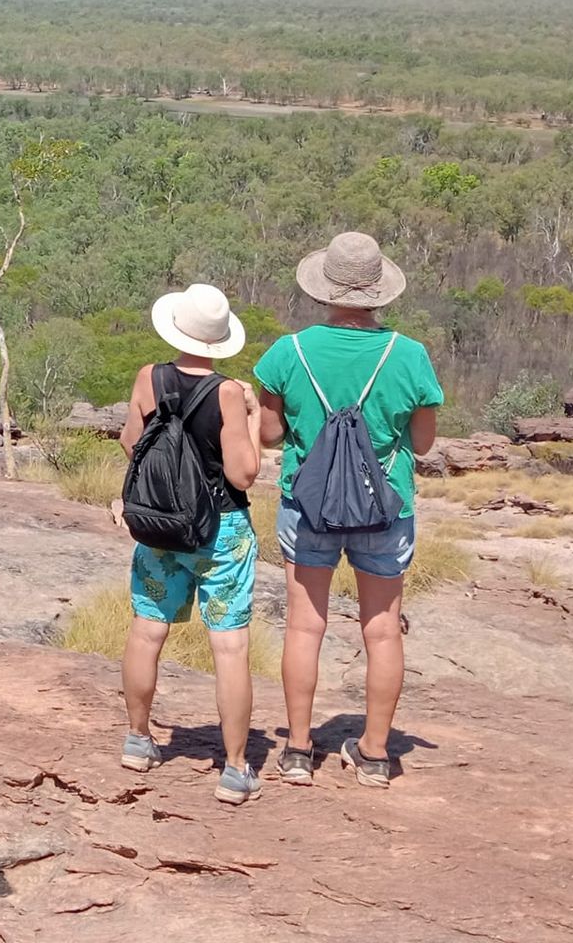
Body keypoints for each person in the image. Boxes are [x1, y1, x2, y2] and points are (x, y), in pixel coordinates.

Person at [253, 231, 442, 789]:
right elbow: (425, 443)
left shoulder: (287, 353)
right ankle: (376, 755)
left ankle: (296, 750)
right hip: (386, 509)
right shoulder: (408, 355)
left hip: (306, 506)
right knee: (382, 631)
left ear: (324, 290)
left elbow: (267, 435)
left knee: (304, 626)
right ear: (379, 292)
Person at [112, 282, 265, 805]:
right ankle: (236, 769)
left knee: (147, 631)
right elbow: (245, 474)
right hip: (220, 530)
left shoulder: (147, 377)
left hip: (159, 527)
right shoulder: (225, 392)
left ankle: (138, 740)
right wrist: (251, 414)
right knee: (229, 645)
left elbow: (133, 443)